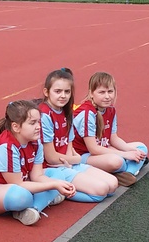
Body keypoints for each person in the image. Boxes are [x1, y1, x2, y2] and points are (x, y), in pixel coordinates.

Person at [0, 100, 76, 226]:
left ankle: (33, 210)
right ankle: (42, 200)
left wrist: (56, 183)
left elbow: (37, 176)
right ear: (16, 127)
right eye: (32, 123)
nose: (38, 126)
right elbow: (18, 184)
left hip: (13, 185)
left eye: (39, 121)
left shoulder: (35, 141)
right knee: (21, 196)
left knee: (59, 175)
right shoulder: (6, 147)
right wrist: (53, 186)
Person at [38, 68, 118, 202]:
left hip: (68, 163)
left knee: (113, 184)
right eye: (58, 91)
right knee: (102, 190)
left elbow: (68, 146)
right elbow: (51, 158)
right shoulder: (44, 115)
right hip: (51, 168)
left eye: (67, 91)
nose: (63, 95)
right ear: (46, 92)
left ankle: (64, 188)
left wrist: (73, 161)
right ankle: (59, 193)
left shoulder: (67, 112)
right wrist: (75, 159)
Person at [71, 71, 149, 186]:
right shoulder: (87, 113)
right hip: (83, 155)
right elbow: (93, 149)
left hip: (104, 149)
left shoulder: (110, 109)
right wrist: (125, 154)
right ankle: (124, 169)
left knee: (141, 148)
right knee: (116, 161)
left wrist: (130, 150)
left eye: (110, 92)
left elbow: (114, 138)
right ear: (91, 93)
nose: (107, 96)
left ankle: (126, 174)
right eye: (102, 92)